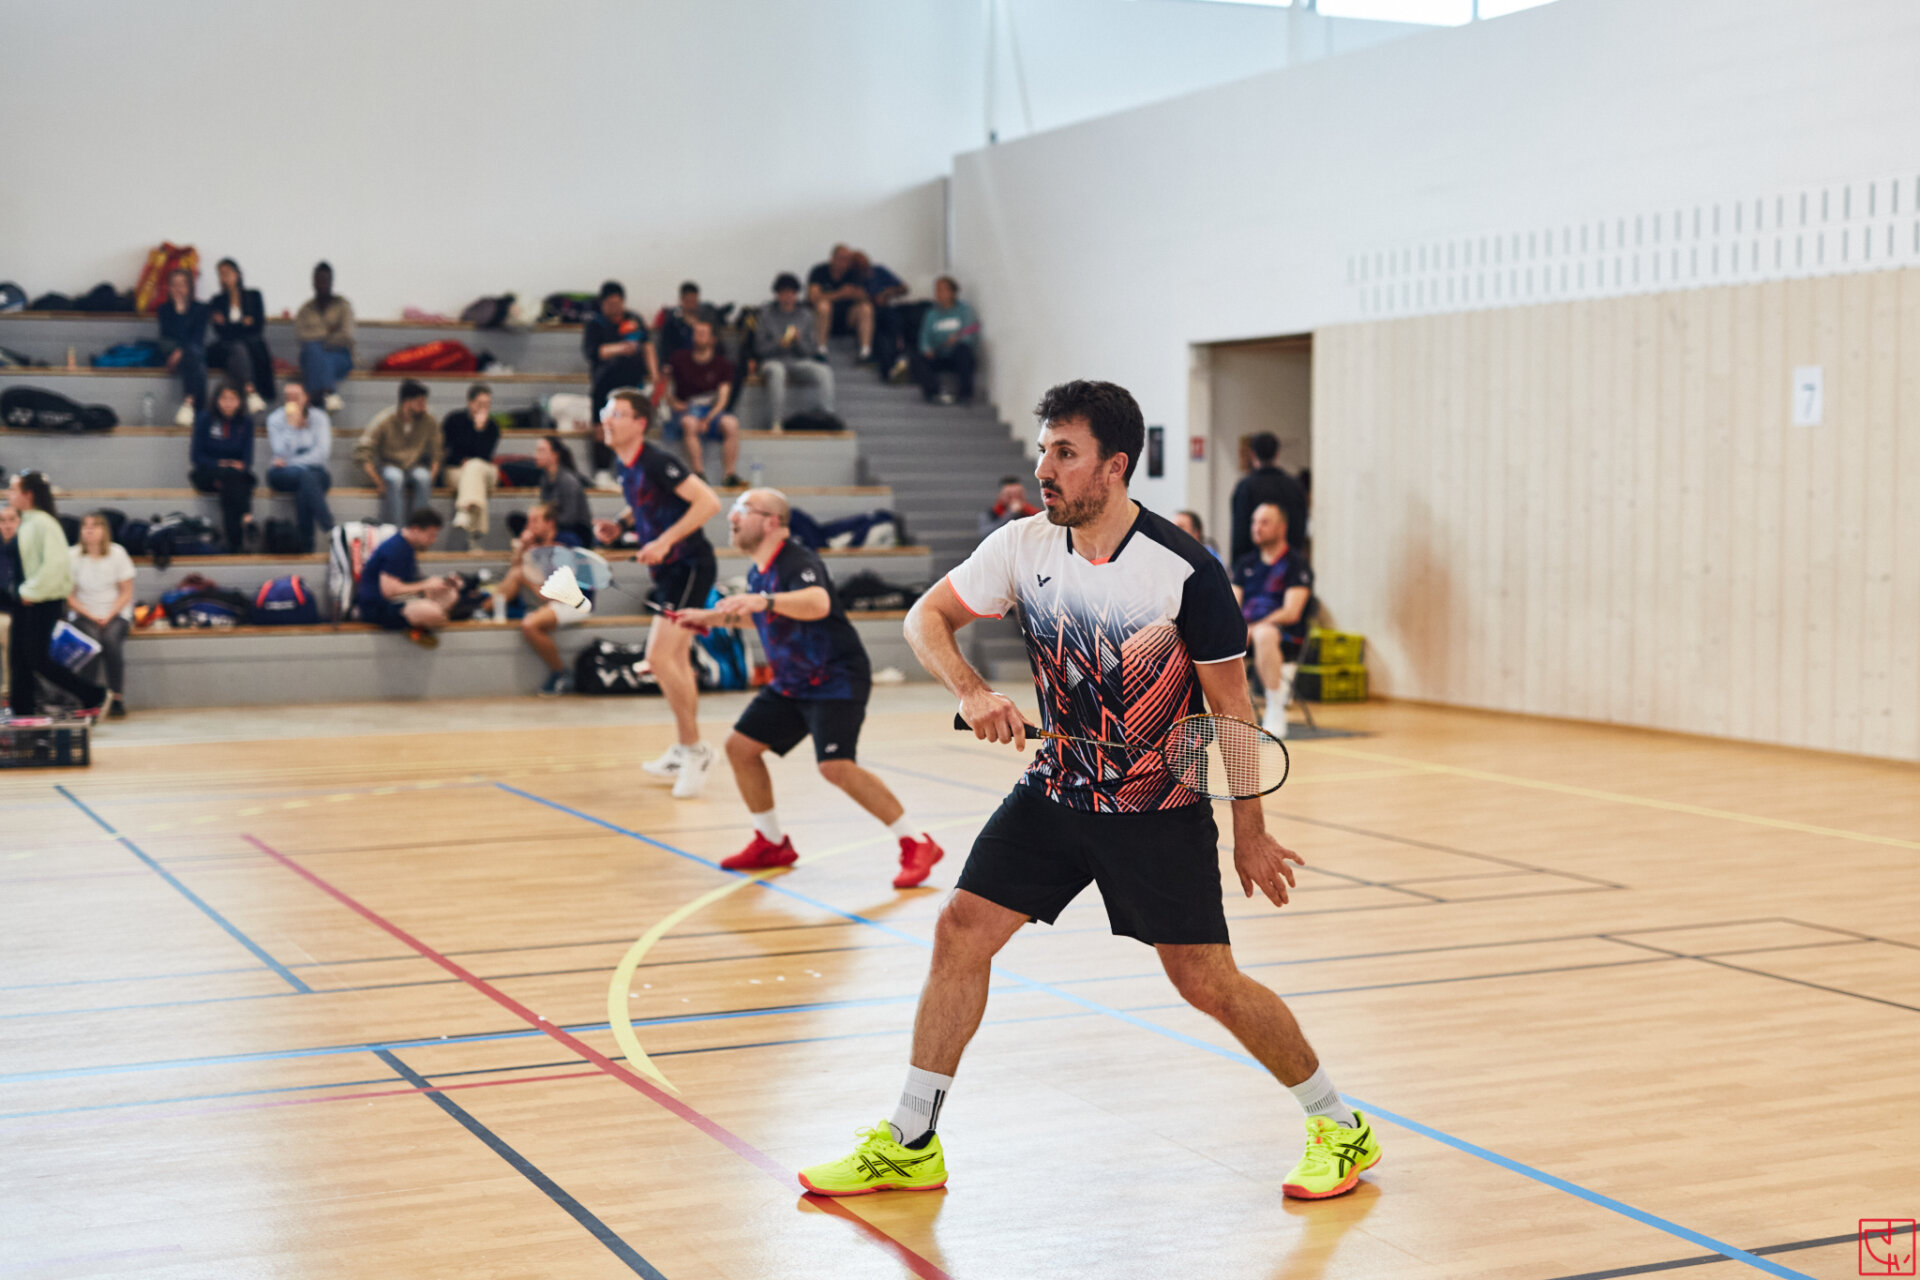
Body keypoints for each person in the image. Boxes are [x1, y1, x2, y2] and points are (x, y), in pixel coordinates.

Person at [799, 380, 1379, 1203]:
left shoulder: (1185, 572)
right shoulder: (1022, 546)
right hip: (1056, 790)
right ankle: (911, 1140)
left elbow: (1232, 711)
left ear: (1114, 466)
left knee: (1206, 982)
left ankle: (1338, 1124)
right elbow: (924, 619)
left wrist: (1250, 830)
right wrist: (971, 690)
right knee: (961, 929)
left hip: (1157, 810)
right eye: (1044, 450)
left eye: (1064, 453)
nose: (1045, 468)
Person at [674, 487, 946, 887]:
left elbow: (817, 603)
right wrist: (708, 617)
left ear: (771, 521)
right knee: (741, 748)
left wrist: (763, 602)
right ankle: (772, 842)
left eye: (742, 509)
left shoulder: (797, 560)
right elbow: (765, 616)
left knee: (835, 766)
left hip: (834, 677)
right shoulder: (759, 572)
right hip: (792, 682)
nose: (732, 517)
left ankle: (917, 842)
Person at [591, 389, 722, 799]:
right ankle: (686, 748)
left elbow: (708, 502)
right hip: (669, 573)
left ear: (640, 423)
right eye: (606, 412)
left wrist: (665, 541)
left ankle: (695, 751)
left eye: (617, 414)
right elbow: (645, 500)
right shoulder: (626, 465)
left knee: (659, 658)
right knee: (675, 660)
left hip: (689, 567)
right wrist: (620, 524)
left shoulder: (657, 461)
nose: (607, 419)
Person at [5, 472, 107, 718]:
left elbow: (55, 565)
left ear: (28, 495)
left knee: (37, 658)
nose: (9, 494)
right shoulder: (28, 521)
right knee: (18, 658)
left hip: (41, 601)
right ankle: (22, 711)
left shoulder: (44, 524)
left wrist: (29, 592)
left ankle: (93, 694)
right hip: (26, 600)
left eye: (13, 490)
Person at [1231, 502, 1314, 740]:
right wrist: (1237, 629)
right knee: (1217, 634)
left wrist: (1254, 628)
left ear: (1281, 527)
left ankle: (1275, 709)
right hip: (1246, 633)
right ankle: (1227, 713)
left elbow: (1291, 612)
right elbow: (1232, 605)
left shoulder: (1296, 564)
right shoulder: (1245, 564)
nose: (1256, 528)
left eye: (1264, 522)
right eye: (1254, 522)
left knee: (1264, 634)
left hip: (1285, 636)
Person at [496, 503, 587, 696]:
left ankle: (561, 673)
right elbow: (513, 571)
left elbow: (550, 592)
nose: (529, 526)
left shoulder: (565, 544)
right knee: (516, 574)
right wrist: (522, 549)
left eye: (535, 521)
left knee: (530, 625)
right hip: (548, 601)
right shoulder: (535, 546)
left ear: (550, 523)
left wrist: (527, 575)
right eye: (529, 521)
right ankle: (486, 609)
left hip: (572, 602)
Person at [582, 281, 658, 482]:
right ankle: (602, 471)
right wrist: (621, 348)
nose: (614, 308)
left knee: (631, 429)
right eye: (610, 304)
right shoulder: (595, 325)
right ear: (603, 304)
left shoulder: (634, 320)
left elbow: (647, 345)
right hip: (604, 386)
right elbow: (595, 352)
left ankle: (630, 470)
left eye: (617, 303)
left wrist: (654, 374)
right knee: (602, 429)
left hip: (632, 387)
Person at [66, 513, 134, 718]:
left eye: (94, 525)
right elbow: (69, 596)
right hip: (84, 613)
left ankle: (116, 698)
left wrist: (109, 615)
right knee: (92, 643)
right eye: (85, 526)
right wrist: (91, 615)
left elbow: (126, 592)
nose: (89, 530)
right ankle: (89, 699)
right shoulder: (72, 555)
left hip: (116, 613)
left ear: (104, 530)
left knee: (111, 641)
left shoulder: (117, 553)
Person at [355, 508, 455, 647]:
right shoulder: (396, 549)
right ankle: (418, 627)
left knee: (449, 594)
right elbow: (389, 591)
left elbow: (407, 583)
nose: (433, 540)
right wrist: (426, 585)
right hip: (378, 607)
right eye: (430, 535)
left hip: (399, 599)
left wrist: (438, 584)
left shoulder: (407, 546)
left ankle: (419, 623)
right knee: (432, 613)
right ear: (415, 529)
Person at [663, 320, 743, 486]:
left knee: (731, 423)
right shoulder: (679, 359)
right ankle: (698, 473)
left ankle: (729, 474)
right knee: (689, 423)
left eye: (703, 334)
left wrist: (709, 418)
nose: (699, 337)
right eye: (696, 333)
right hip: (686, 410)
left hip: (711, 410)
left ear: (713, 339)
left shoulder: (723, 364)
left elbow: (723, 398)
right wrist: (674, 403)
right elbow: (665, 387)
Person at [753, 272, 835, 430]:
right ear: (777, 294)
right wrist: (778, 343)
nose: (788, 297)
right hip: (772, 361)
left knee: (824, 371)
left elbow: (811, 350)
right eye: (784, 292)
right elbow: (759, 348)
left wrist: (798, 342)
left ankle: (827, 417)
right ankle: (776, 422)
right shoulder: (766, 315)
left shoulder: (805, 316)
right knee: (777, 372)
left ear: (796, 295)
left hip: (797, 360)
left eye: (791, 293)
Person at [355, 380, 442, 527]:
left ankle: (419, 527)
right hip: (390, 465)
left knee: (423, 478)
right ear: (407, 402)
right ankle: (397, 529)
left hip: (415, 465)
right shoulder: (384, 420)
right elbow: (363, 451)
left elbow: (437, 453)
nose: (424, 407)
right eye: (420, 402)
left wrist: (431, 478)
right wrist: (377, 481)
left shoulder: (428, 421)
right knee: (395, 478)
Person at [264, 378, 335, 553]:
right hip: (283, 474)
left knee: (306, 483)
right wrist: (291, 427)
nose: (292, 400)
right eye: (288, 397)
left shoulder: (319, 418)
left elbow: (321, 455)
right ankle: (330, 528)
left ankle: (306, 546)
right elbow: (280, 451)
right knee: (306, 478)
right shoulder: (275, 419)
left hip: (314, 472)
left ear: (306, 397)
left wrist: (291, 462)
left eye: (296, 396)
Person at [189, 383, 257, 553]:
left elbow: (248, 459)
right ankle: (246, 520)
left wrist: (234, 466)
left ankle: (233, 543)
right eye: (224, 398)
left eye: (232, 399)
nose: (228, 403)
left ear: (240, 401)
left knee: (232, 482)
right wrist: (221, 463)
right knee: (235, 480)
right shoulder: (205, 419)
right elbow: (196, 456)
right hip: (208, 472)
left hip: (233, 476)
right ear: (216, 400)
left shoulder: (246, 422)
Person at [1228, 432, 1308, 564]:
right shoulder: (1294, 486)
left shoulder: (1245, 488)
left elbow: (1239, 533)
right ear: (1277, 454)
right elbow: (1300, 528)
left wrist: (1238, 566)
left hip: (1253, 565)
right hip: (1288, 562)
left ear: (1253, 454)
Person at [207, 257, 273, 413]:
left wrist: (230, 325)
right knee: (237, 348)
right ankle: (251, 392)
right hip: (225, 347)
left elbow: (257, 326)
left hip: (248, 347)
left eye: (227, 273)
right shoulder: (217, 300)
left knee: (240, 351)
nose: (224, 277)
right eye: (221, 274)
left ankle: (249, 393)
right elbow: (221, 332)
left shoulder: (253, 296)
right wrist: (242, 324)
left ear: (237, 274)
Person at [441, 383, 499, 543]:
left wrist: (479, 430)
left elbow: (485, 456)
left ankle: (463, 510)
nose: (483, 409)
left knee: (475, 466)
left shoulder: (492, 427)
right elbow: (446, 452)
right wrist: (461, 461)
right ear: (470, 402)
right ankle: (476, 537)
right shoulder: (453, 420)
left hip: (484, 470)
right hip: (456, 470)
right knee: (474, 478)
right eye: (480, 404)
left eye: (487, 405)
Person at [294, 262, 355, 414]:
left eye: (325, 280)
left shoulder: (343, 306)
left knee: (317, 355)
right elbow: (301, 336)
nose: (321, 284)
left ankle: (314, 401)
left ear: (331, 281)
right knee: (313, 351)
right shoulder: (305, 309)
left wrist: (319, 339)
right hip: (311, 355)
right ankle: (329, 392)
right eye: (318, 280)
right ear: (313, 282)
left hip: (340, 355)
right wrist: (328, 333)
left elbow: (346, 336)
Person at [155, 268, 211, 426]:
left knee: (194, 355)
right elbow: (167, 337)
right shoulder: (164, 310)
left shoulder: (201, 309)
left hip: (193, 351)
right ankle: (198, 412)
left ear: (189, 287)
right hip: (172, 353)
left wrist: (181, 350)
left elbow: (198, 336)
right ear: (169, 288)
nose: (178, 289)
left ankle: (189, 401)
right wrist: (179, 312)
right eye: (174, 285)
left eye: (182, 285)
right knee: (198, 366)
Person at [912, 276, 979, 405]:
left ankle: (965, 394)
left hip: (956, 355)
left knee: (964, 352)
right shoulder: (931, 314)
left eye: (942, 290)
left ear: (952, 292)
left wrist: (958, 339)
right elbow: (924, 336)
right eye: (937, 290)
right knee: (917, 358)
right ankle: (933, 392)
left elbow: (970, 332)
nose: (938, 294)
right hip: (938, 355)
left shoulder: (965, 311)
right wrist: (927, 349)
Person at [807, 244, 872, 359]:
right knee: (823, 306)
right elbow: (813, 297)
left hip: (847, 318)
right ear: (832, 258)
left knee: (866, 308)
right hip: (824, 319)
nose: (844, 262)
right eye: (841, 258)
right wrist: (839, 294)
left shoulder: (853, 273)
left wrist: (856, 294)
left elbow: (865, 296)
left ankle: (865, 351)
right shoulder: (819, 271)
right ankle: (820, 349)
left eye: (847, 259)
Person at [534, 434, 595, 548]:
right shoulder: (545, 479)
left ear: (555, 455)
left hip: (576, 533)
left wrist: (545, 526)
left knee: (539, 538)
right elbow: (544, 510)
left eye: (541, 450)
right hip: (555, 527)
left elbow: (570, 518)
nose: (536, 455)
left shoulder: (568, 481)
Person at [655, 280, 719, 366]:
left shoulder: (706, 322)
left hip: (704, 363)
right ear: (682, 300)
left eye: (694, 300)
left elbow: (716, 345)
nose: (691, 304)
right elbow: (665, 348)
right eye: (688, 301)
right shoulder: (673, 323)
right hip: (680, 364)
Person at [0, 505, 17, 700]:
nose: (7, 525)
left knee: (9, 627)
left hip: (19, 610)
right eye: (2, 521)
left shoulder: (26, 547)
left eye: (11, 520)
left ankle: (7, 693)